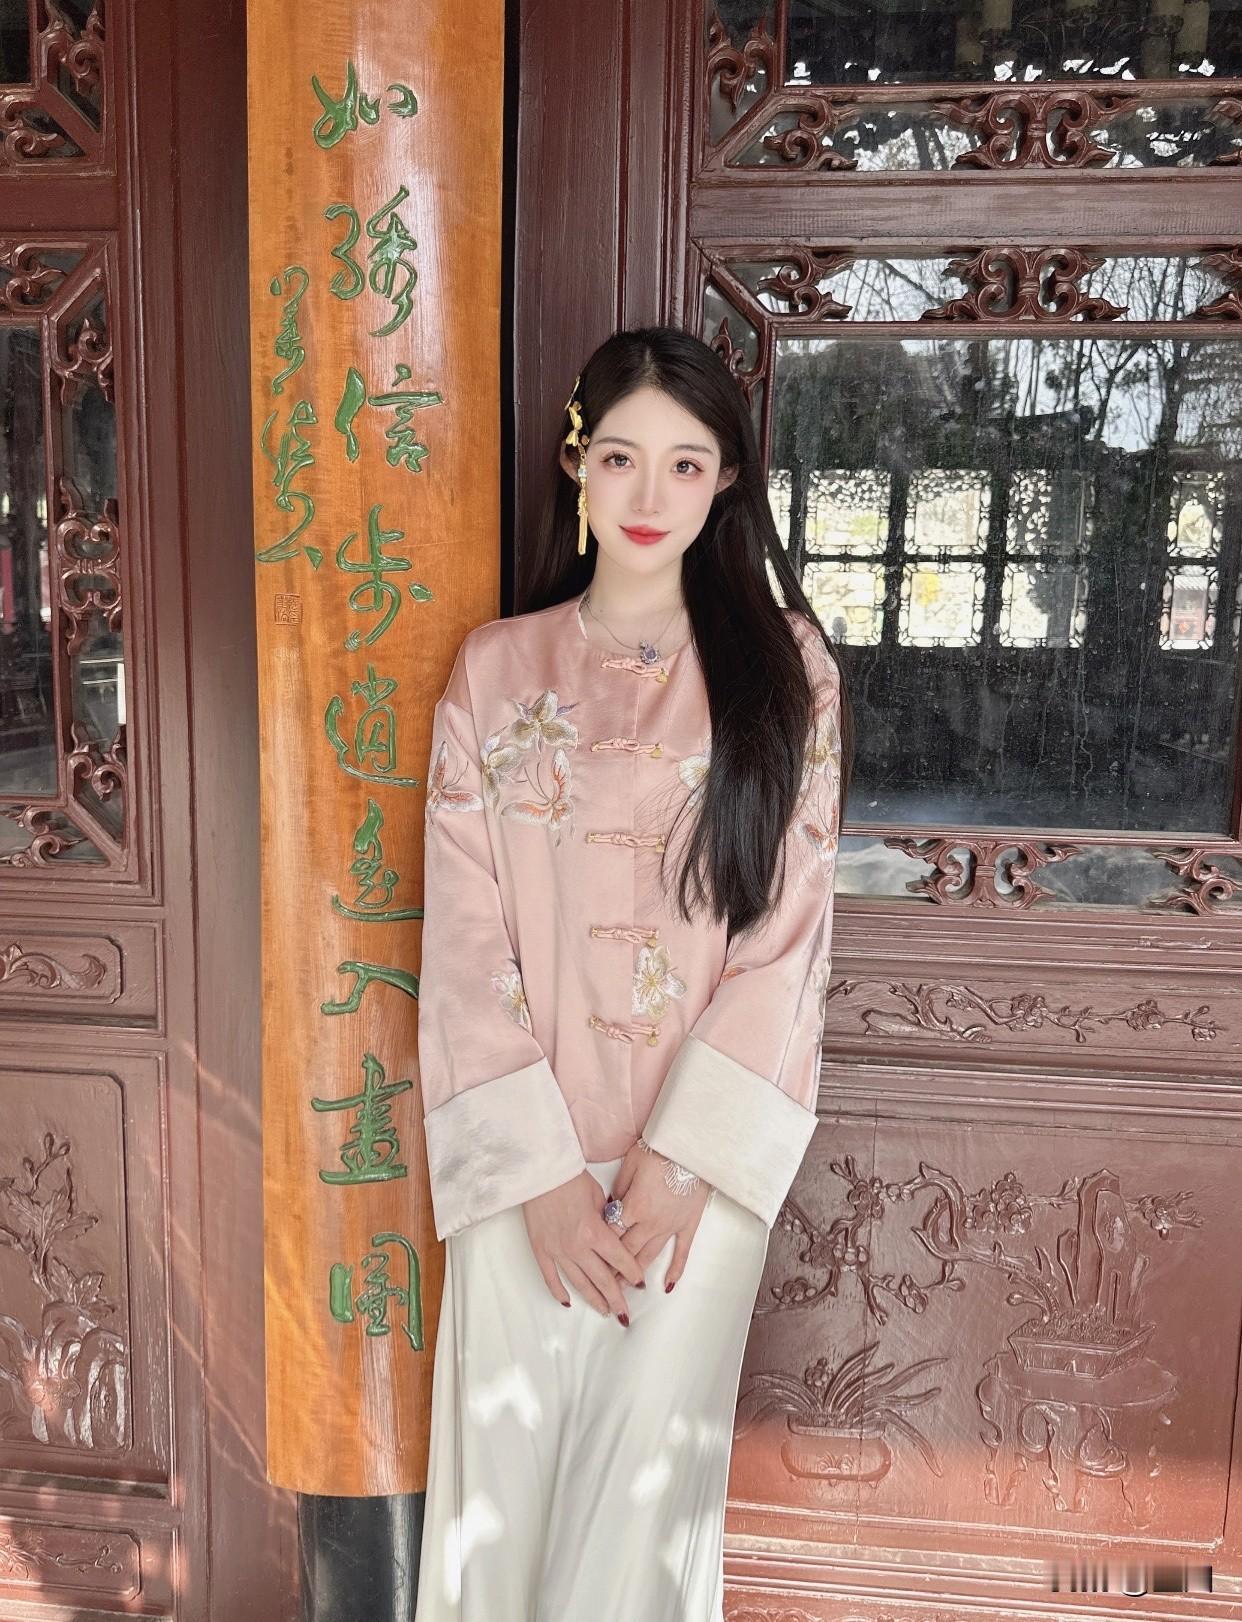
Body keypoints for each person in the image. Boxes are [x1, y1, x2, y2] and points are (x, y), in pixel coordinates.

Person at [413, 325, 852, 1621]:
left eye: (684, 462)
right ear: (575, 462)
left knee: (637, 1524)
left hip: (691, 1186)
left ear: (727, 479)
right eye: (619, 457)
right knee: (499, 1504)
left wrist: (683, 1161)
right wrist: (540, 1174)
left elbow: (787, 940)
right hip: (523, 1171)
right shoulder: (496, 670)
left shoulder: (788, 674)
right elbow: (463, 936)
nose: (649, 493)